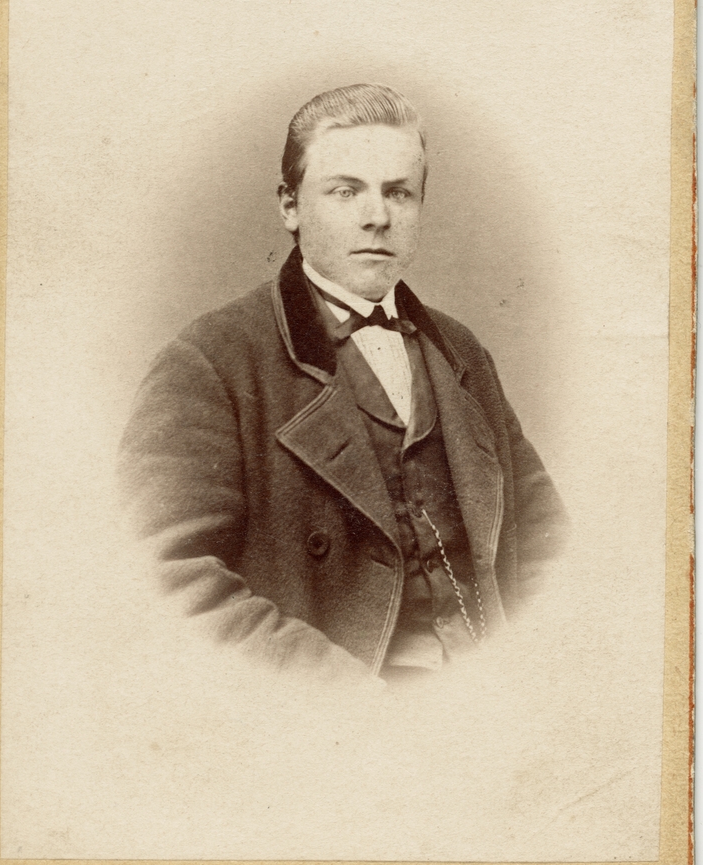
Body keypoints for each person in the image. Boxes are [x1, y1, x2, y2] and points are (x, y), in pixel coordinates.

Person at [119, 83, 567, 686]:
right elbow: (166, 577)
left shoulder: (461, 352)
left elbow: (547, 541)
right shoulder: (210, 361)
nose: (377, 216)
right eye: (346, 190)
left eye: (398, 192)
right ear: (290, 206)